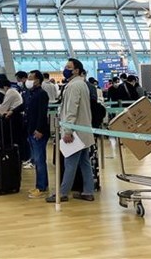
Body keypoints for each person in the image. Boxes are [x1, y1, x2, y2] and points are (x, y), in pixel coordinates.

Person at [47, 58, 95, 203]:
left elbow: (71, 110)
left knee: (70, 163)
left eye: (69, 67)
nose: (66, 69)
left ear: (77, 70)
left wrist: (68, 130)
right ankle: (88, 191)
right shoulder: (81, 84)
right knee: (85, 163)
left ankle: (62, 193)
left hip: (75, 132)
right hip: (83, 130)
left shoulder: (74, 86)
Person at [24, 70, 50, 199]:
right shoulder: (29, 93)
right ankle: (41, 184)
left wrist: (39, 129)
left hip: (38, 131)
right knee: (37, 159)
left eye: (31, 78)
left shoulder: (42, 94)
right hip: (30, 129)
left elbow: (42, 113)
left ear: (38, 80)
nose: (28, 81)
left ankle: (41, 187)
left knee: (40, 160)